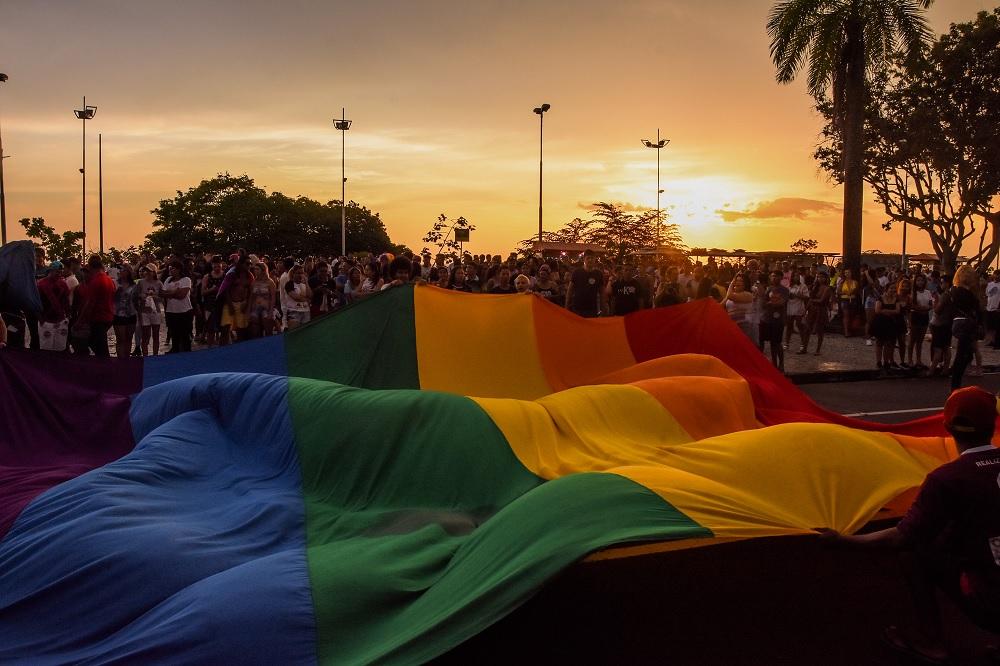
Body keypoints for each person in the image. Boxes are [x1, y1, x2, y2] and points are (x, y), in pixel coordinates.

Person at [817, 387, 1000, 664]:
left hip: (992, 606)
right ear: (993, 424)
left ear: (946, 425)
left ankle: (933, 642)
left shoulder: (948, 479)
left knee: (916, 551)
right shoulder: (955, 477)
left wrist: (842, 541)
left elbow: (901, 538)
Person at [72, 255, 116, 358]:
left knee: (101, 350)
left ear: (91, 268)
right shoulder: (108, 279)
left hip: (99, 318)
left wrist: (79, 321)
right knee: (98, 345)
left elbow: (89, 304)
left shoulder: (96, 281)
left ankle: (104, 370)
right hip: (107, 316)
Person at [949, 266, 981, 391]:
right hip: (965, 323)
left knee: (966, 354)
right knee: (962, 355)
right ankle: (955, 385)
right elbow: (976, 308)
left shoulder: (954, 290)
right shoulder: (965, 293)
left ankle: (956, 382)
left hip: (958, 322)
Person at [36, 261, 71, 352]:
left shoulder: (63, 284)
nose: (59, 274)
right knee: (46, 348)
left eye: (60, 272)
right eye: (57, 272)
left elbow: (66, 301)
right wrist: (41, 319)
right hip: (46, 321)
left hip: (60, 320)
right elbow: (36, 303)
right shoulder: (41, 284)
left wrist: (67, 316)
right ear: (51, 271)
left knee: (60, 348)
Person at [162, 260, 194, 353]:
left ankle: (186, 350)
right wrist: (175, 291)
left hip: (184, 311)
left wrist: (170, 293)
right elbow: (163, 293)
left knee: (185, 333)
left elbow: (182, 295)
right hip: (171, 311)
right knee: (174, 333)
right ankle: (175, 349)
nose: (171, 270)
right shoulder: (168, 280)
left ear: (179, 269)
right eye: (170, 268)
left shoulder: (186, 280)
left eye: (173, 268)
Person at [872, 283, 904, 371]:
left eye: (894, 288)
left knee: (888, 343)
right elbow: (877, 310)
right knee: (879, 342)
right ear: (887, 289)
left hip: (891, 324)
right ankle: (879, 362)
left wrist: (885, 310)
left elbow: (898, 311)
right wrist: (891, 311)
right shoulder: (881, 298)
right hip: (881, 323)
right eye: (891, 288)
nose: (893, 290)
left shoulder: (896, 299)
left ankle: (886, 362)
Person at [763, 270, 789, 372]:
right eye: (773, 276)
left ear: (781, 278)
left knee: (777, 343)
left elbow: (781, 303)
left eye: (777, 276)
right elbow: (764, 302)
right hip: (769, 318)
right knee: (771, 343)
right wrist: (771, 303)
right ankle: (774, 364)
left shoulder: (784, 290)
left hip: (779, 319)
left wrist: (770, 303)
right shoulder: (769, 289)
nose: (774, 278)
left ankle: (781, 363)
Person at [565, 251, 606, 317]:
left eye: (592, 258)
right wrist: (566, 307)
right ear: (584, 259)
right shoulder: (577, 272)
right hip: (577, 308)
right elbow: (569, 291)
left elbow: (602, 293)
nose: (590, 260)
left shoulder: (598, 274)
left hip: (592, 309)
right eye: (588, 258)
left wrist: (602, 310)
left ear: (595, 259)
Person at [137, 264, 164, 356]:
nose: (147, 273)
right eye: (146, 271)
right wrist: (142, 296)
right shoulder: (141, 282)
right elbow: (136, 295)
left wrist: (155, 297)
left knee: (156, 334)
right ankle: (145, 355)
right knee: (145, 334)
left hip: (155, 311)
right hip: (144, 311)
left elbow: (162, 297)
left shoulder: (159, 283)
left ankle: (155, 355)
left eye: (149, 271)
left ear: (154, 272)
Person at [112, 265, 137, 358]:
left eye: (123, 270)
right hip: (118, 314)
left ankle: (127, 358)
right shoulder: (115, 283)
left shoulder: (134, 285)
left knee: (129, 338)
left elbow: (136, 299)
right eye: (120, 270)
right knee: (120, 339)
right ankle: (121, 360)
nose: (121, 272)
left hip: (131, 313)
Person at [908, 273, 932, 369]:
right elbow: (912, 306)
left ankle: (918, 360)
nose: (920, 282)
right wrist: (922, 308)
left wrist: (927, 308)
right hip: (915, 316)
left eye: (922, 280)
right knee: (912, 340)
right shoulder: (913, 293)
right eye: (918, 280)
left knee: (920, 341)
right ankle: (910, 360)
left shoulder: (928, 292)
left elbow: (930, 304)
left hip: (924, 317)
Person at [248, 263, 276, 338]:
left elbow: (273, 298)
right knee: (255, 330)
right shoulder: (254, 282)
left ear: (263, 270)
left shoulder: (270, 282)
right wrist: (249, 310)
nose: (255, 271)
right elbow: (251, 297)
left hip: (266, 308)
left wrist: (271, 312)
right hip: (255, 307)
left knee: (268, 330)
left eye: (257, 269)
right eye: (255, 269)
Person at [724, 274, 755, 341]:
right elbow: (721, 305)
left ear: (745, 284)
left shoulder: (748, 294)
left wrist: (731, 284)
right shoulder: (732, 294)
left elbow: (729, 296)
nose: (737, 282)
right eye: (736, 280)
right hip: (732, 326)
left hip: (744, 326)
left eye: (741, 281)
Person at [283, 265, 312, 329]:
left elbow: (310, 295)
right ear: (293, 273)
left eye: (302, 273)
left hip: (305, 311)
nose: (300, 275)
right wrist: (307, 299)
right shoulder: (289, 284)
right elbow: (296, 297)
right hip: (294, 312)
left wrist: (306, 282)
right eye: (298, 273)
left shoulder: (304, 284)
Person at [839, 268, 859, 337]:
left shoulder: (855, 282)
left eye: (848, 272)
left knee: (851, 315)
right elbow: (838, 292)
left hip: (853, 299)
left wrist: (853, 291)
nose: (847, 274)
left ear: (851, 273)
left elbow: (856, 291)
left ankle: (850, 330)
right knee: (846, 315)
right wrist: (844, 292)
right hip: (844, 299)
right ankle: (846, 331)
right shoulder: (842, 282)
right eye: (846, 273)